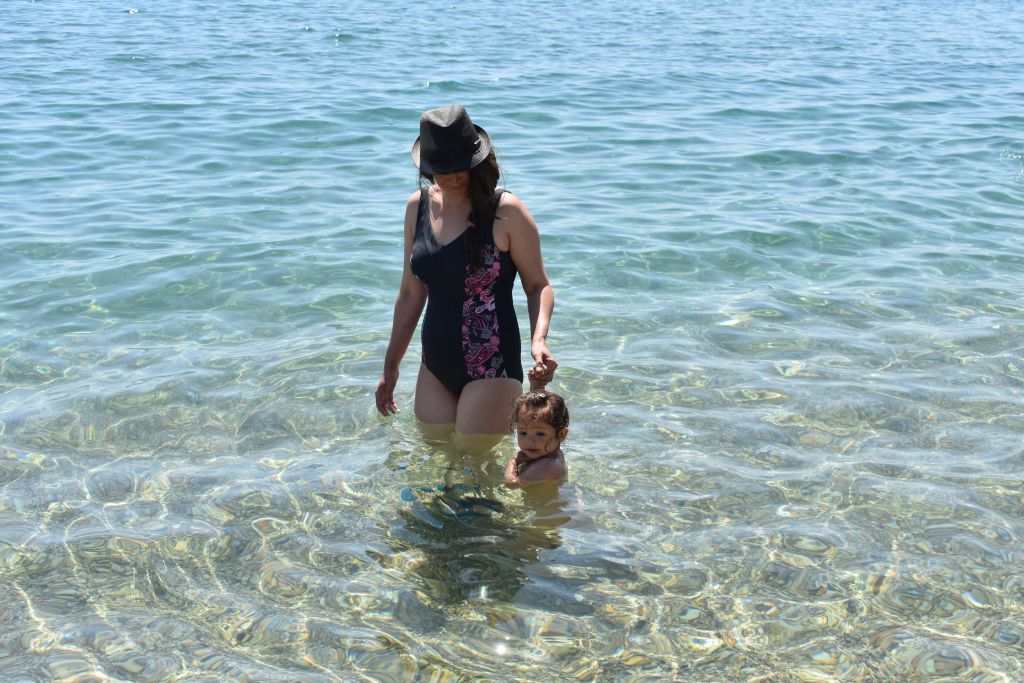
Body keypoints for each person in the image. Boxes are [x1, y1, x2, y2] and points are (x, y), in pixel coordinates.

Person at [375, 104, 557, 436]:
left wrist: (539, 339)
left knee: (475, 462)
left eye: (461, 165)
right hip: (435, 367)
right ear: (428, 167)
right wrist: (391, 367)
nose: (454, 175)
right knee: (433, 457)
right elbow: (410, 293)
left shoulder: (505, 210)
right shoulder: (417, 208)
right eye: (443, 168)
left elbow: (538, 286)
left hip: (492, 366)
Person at [504, 391, 569, 487]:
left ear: (561, 435)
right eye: (523, 433)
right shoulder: (552, 455)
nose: (529, 441)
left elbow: (511, 484)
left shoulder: (547, 465)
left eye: (540, 434)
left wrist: (513, 461)